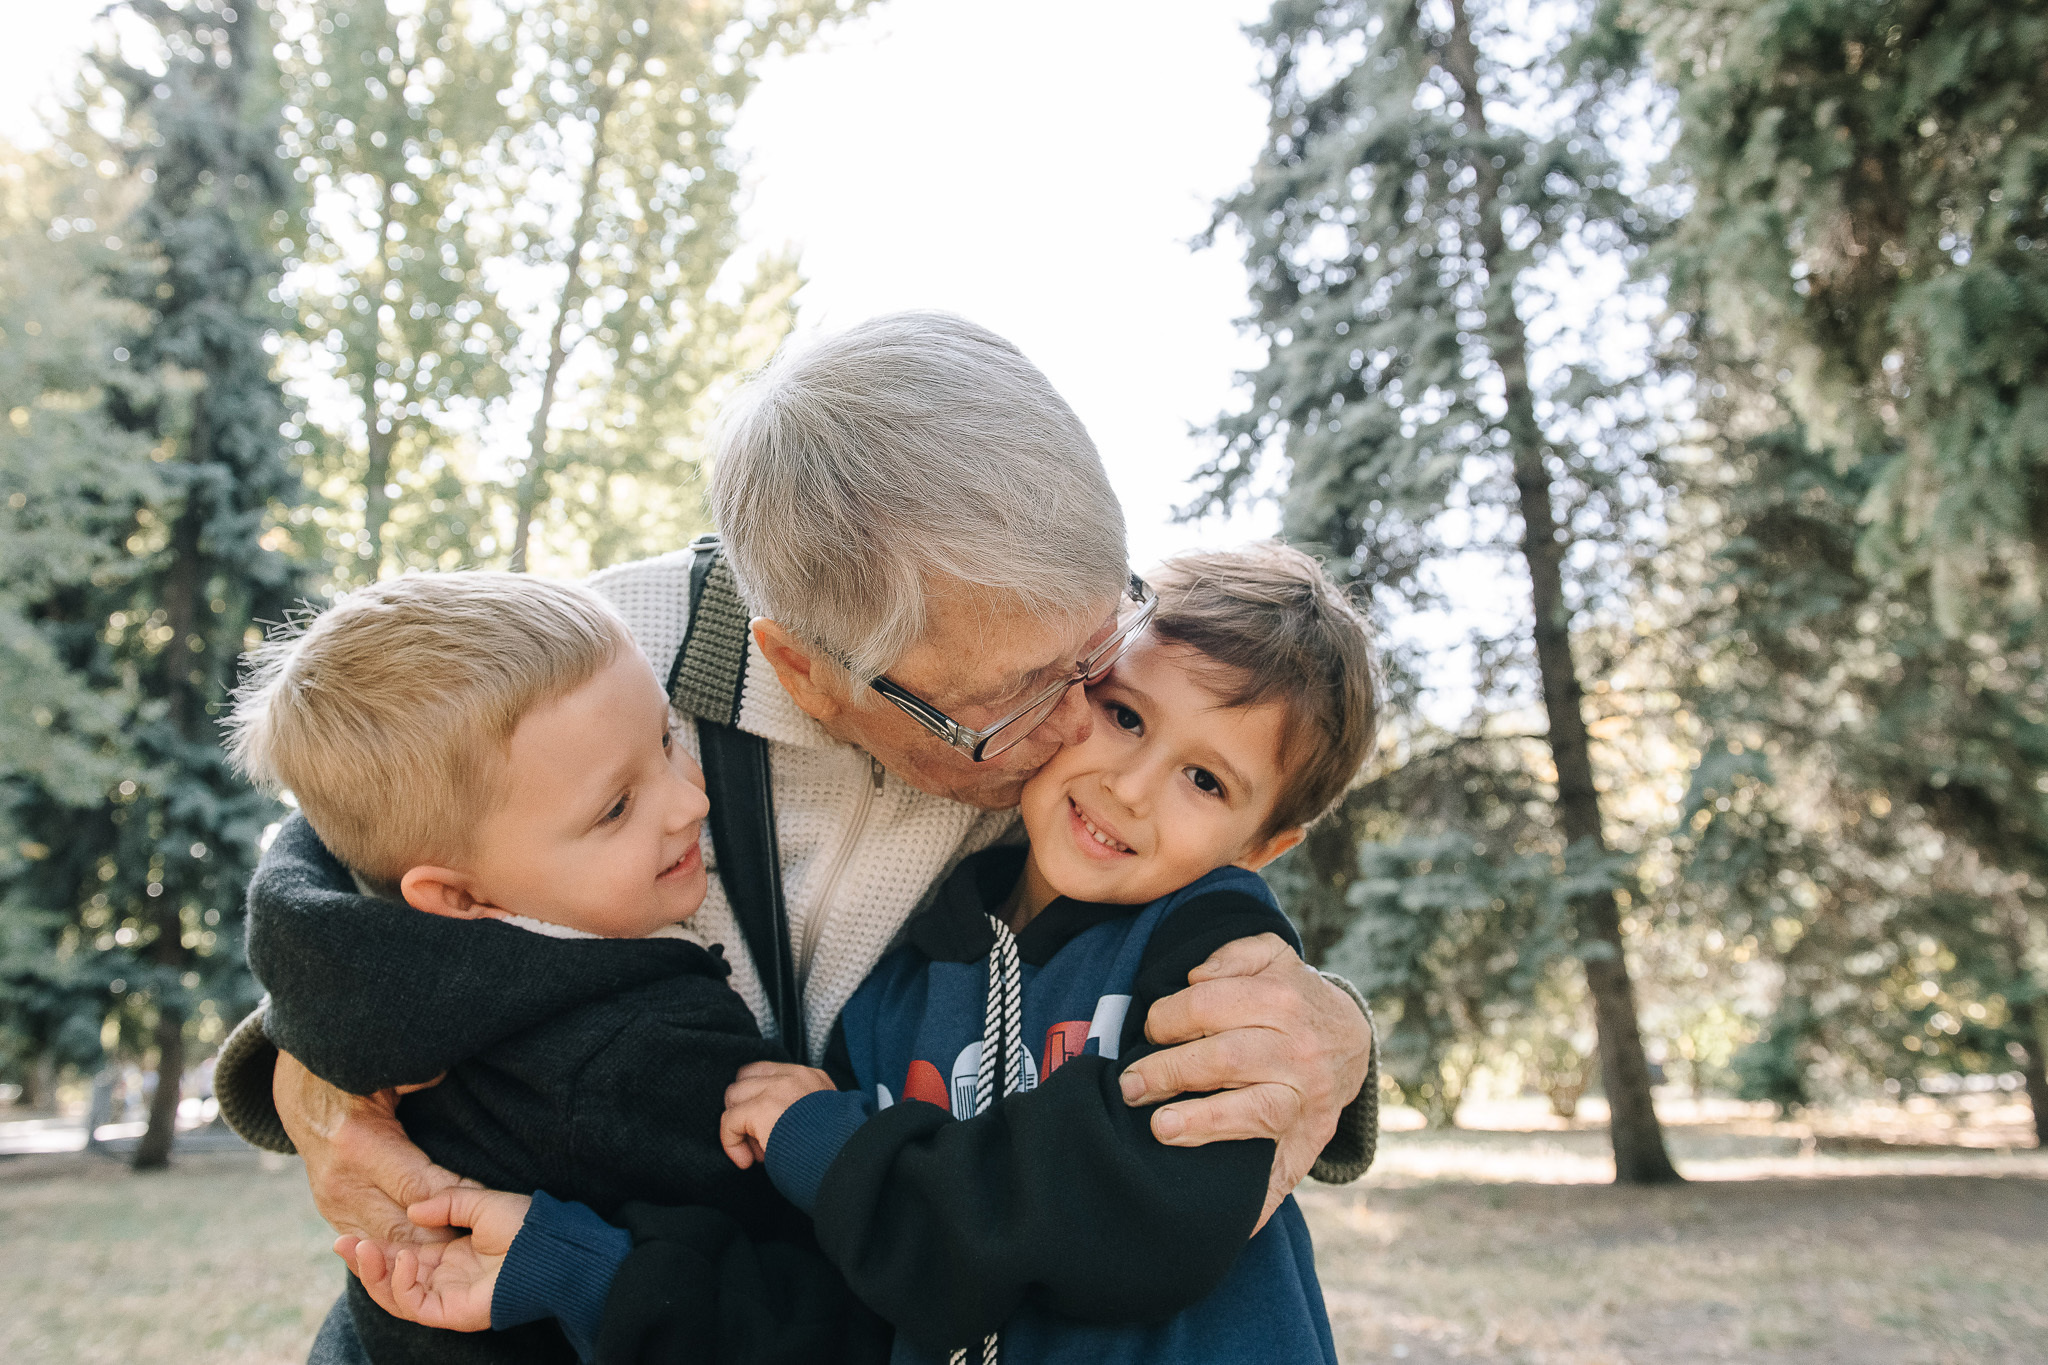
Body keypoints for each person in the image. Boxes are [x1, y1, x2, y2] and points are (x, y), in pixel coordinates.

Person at [210, 312, 1378, 1363]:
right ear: (806, 672)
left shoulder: (1044, 650)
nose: (1084, 733)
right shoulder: (594, 672)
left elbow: (1220, 810)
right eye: (1019, 697)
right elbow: (353, 839)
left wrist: (1337, 1037)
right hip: (562, 1301)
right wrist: (306, 1057)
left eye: (1099, 648)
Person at [343, 543, 1378, 1365]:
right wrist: (578, 1270)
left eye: (1205, 781)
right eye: (1122, 714)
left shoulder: (1212, 967)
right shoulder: (902, 969)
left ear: (1262, 844)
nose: (1130, 786)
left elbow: (1126, 1222)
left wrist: (827, 1143)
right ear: (1068, 684)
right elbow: (830, 1289)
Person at [225, 572, 881, 1365]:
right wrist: (818, 1136)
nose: (686, 804)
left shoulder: (371, 982)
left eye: (667, 741)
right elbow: (801, 1292)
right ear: (459, 896)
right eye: (615, 808)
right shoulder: (640, 1050)